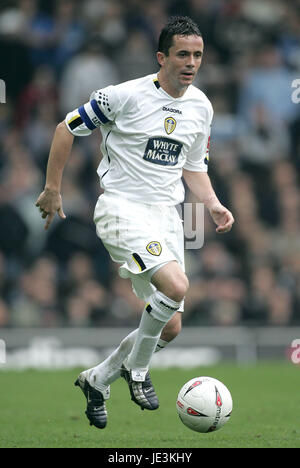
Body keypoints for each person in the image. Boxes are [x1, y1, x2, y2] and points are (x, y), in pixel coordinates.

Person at [35, 16, 234, 429]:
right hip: (122, 209)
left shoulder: (202, 106)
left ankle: (98, 379)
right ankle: (138, 371)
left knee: (171, 325)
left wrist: (213, 203)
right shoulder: (122, 96)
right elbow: (65, 128)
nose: (191, 62)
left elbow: (193, 165)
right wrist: (53, 187)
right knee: (177, 287)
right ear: (162, 57)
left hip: (167, 217)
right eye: (182, 54)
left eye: (197, 55)